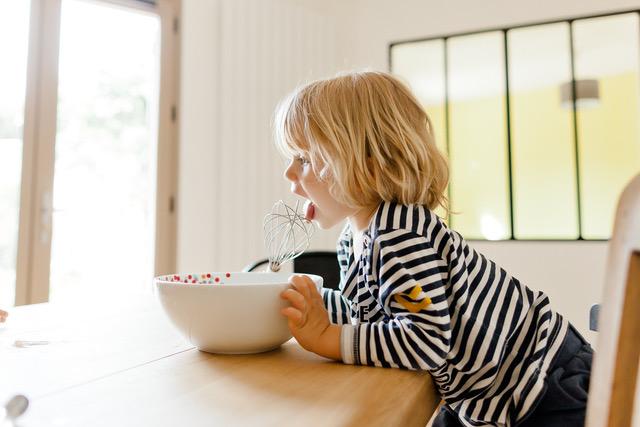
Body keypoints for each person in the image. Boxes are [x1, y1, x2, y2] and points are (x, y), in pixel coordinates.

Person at [274, 71, 592, 427]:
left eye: (303, 158)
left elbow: (424, 340)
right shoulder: (354, 238)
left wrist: (325, 336)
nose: (289, 173)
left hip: (543, 386)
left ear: (365, 162)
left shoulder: (397, 235)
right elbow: (369, 313)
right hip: (488, 393)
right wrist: (303, 301)